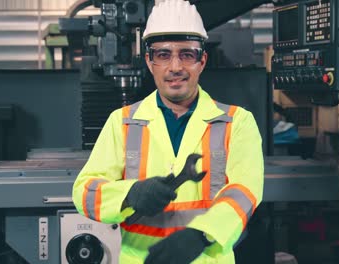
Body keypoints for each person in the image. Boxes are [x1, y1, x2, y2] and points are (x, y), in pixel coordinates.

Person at [72, 0, 264, 263]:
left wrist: (202, 234)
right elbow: (85, 192)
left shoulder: (237, 122)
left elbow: (245, 193)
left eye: (187, 54)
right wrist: (130, 193)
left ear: (202, 61)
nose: (175, 67)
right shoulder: (123, 122)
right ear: (150, 62)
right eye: (163, 55)